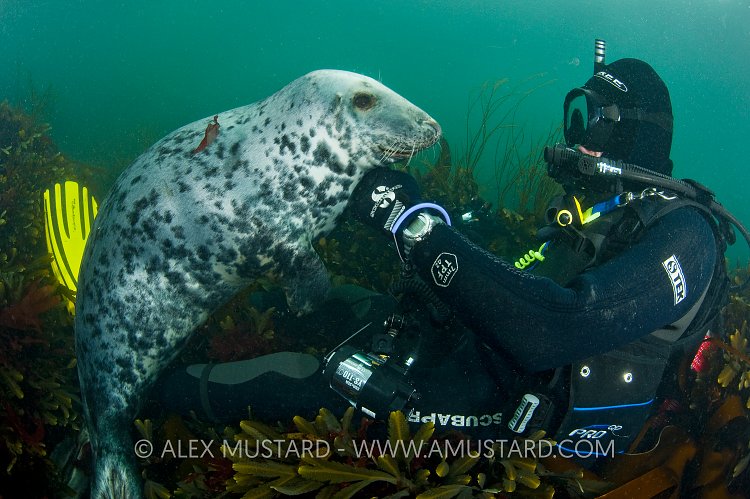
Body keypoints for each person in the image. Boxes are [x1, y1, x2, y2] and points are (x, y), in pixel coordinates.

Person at [160, 44, 738, 459]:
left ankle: (140, 398)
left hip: (527, 422)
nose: (574, 135)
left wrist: (413, 223)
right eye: (574, 115)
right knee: (339, 303)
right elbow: (517, 281)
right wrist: (447, 230)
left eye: (592, 120)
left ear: (633, 133)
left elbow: (551, 329)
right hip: (486, 358)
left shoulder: (686, 237)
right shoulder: (593, 219)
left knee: (299, 382)